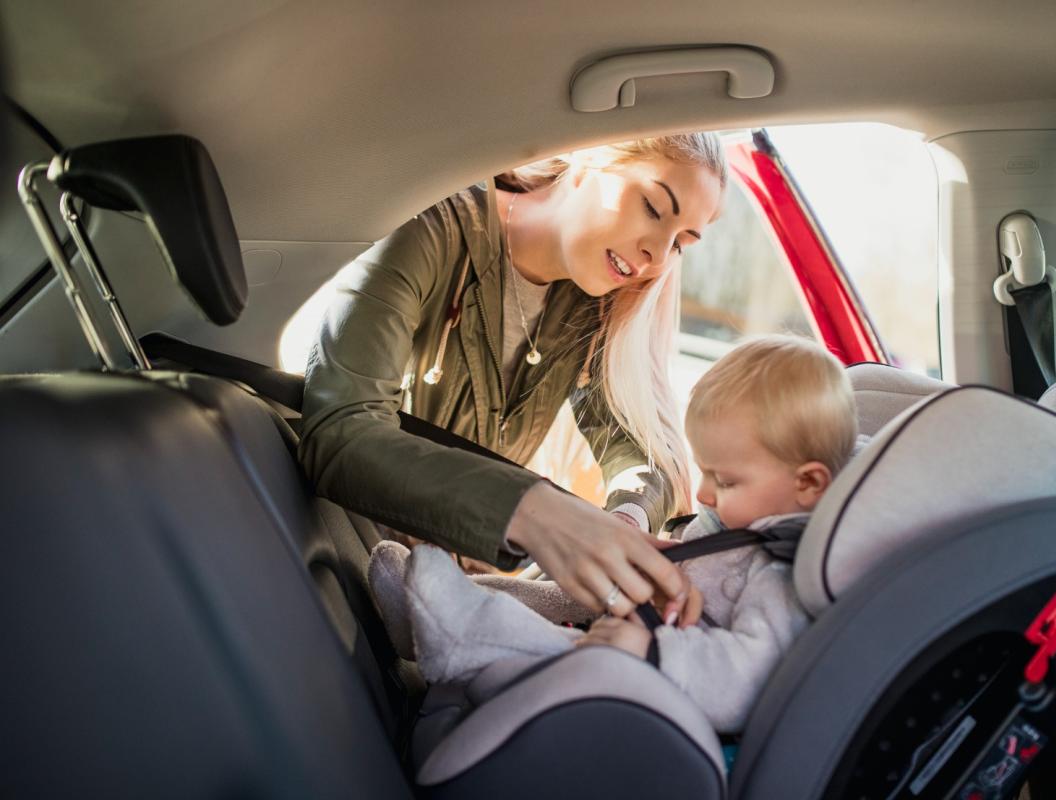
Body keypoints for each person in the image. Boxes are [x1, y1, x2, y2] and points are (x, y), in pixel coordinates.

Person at [299, 135, 727, 618]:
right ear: (589, 158)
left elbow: (637, 450)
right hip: (355, 563)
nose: (657, 253)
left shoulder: (595, 299)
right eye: (652, 207)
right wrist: (533, 512)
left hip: (454, 590)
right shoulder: (432, 229)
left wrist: (625, 521)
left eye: (682, 242)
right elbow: (340, 433)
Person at [369, 335, 861, 732]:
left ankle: (453, 626)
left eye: (726, 480)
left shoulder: (783, 574)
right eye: (704, 472)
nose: (705, 494)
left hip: (648, 684)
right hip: (642, 619)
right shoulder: (744, 520)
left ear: (809, 483)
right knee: (560, 594)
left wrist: (649, 652)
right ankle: (431, 605)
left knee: (555, 646)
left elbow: (745, 681)